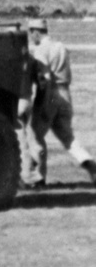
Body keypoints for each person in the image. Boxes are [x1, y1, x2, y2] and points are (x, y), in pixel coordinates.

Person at [20, 18, 96, 189]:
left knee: (35, 136)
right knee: (67, 137)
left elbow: (45, 78)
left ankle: (38, 179)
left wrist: (42, 102)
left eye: (31, 33)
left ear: (36, 31)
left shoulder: (41, 50)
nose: (31, 37)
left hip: (51, 94)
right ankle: (88, 162)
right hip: (65, 93)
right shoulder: (60, 46)